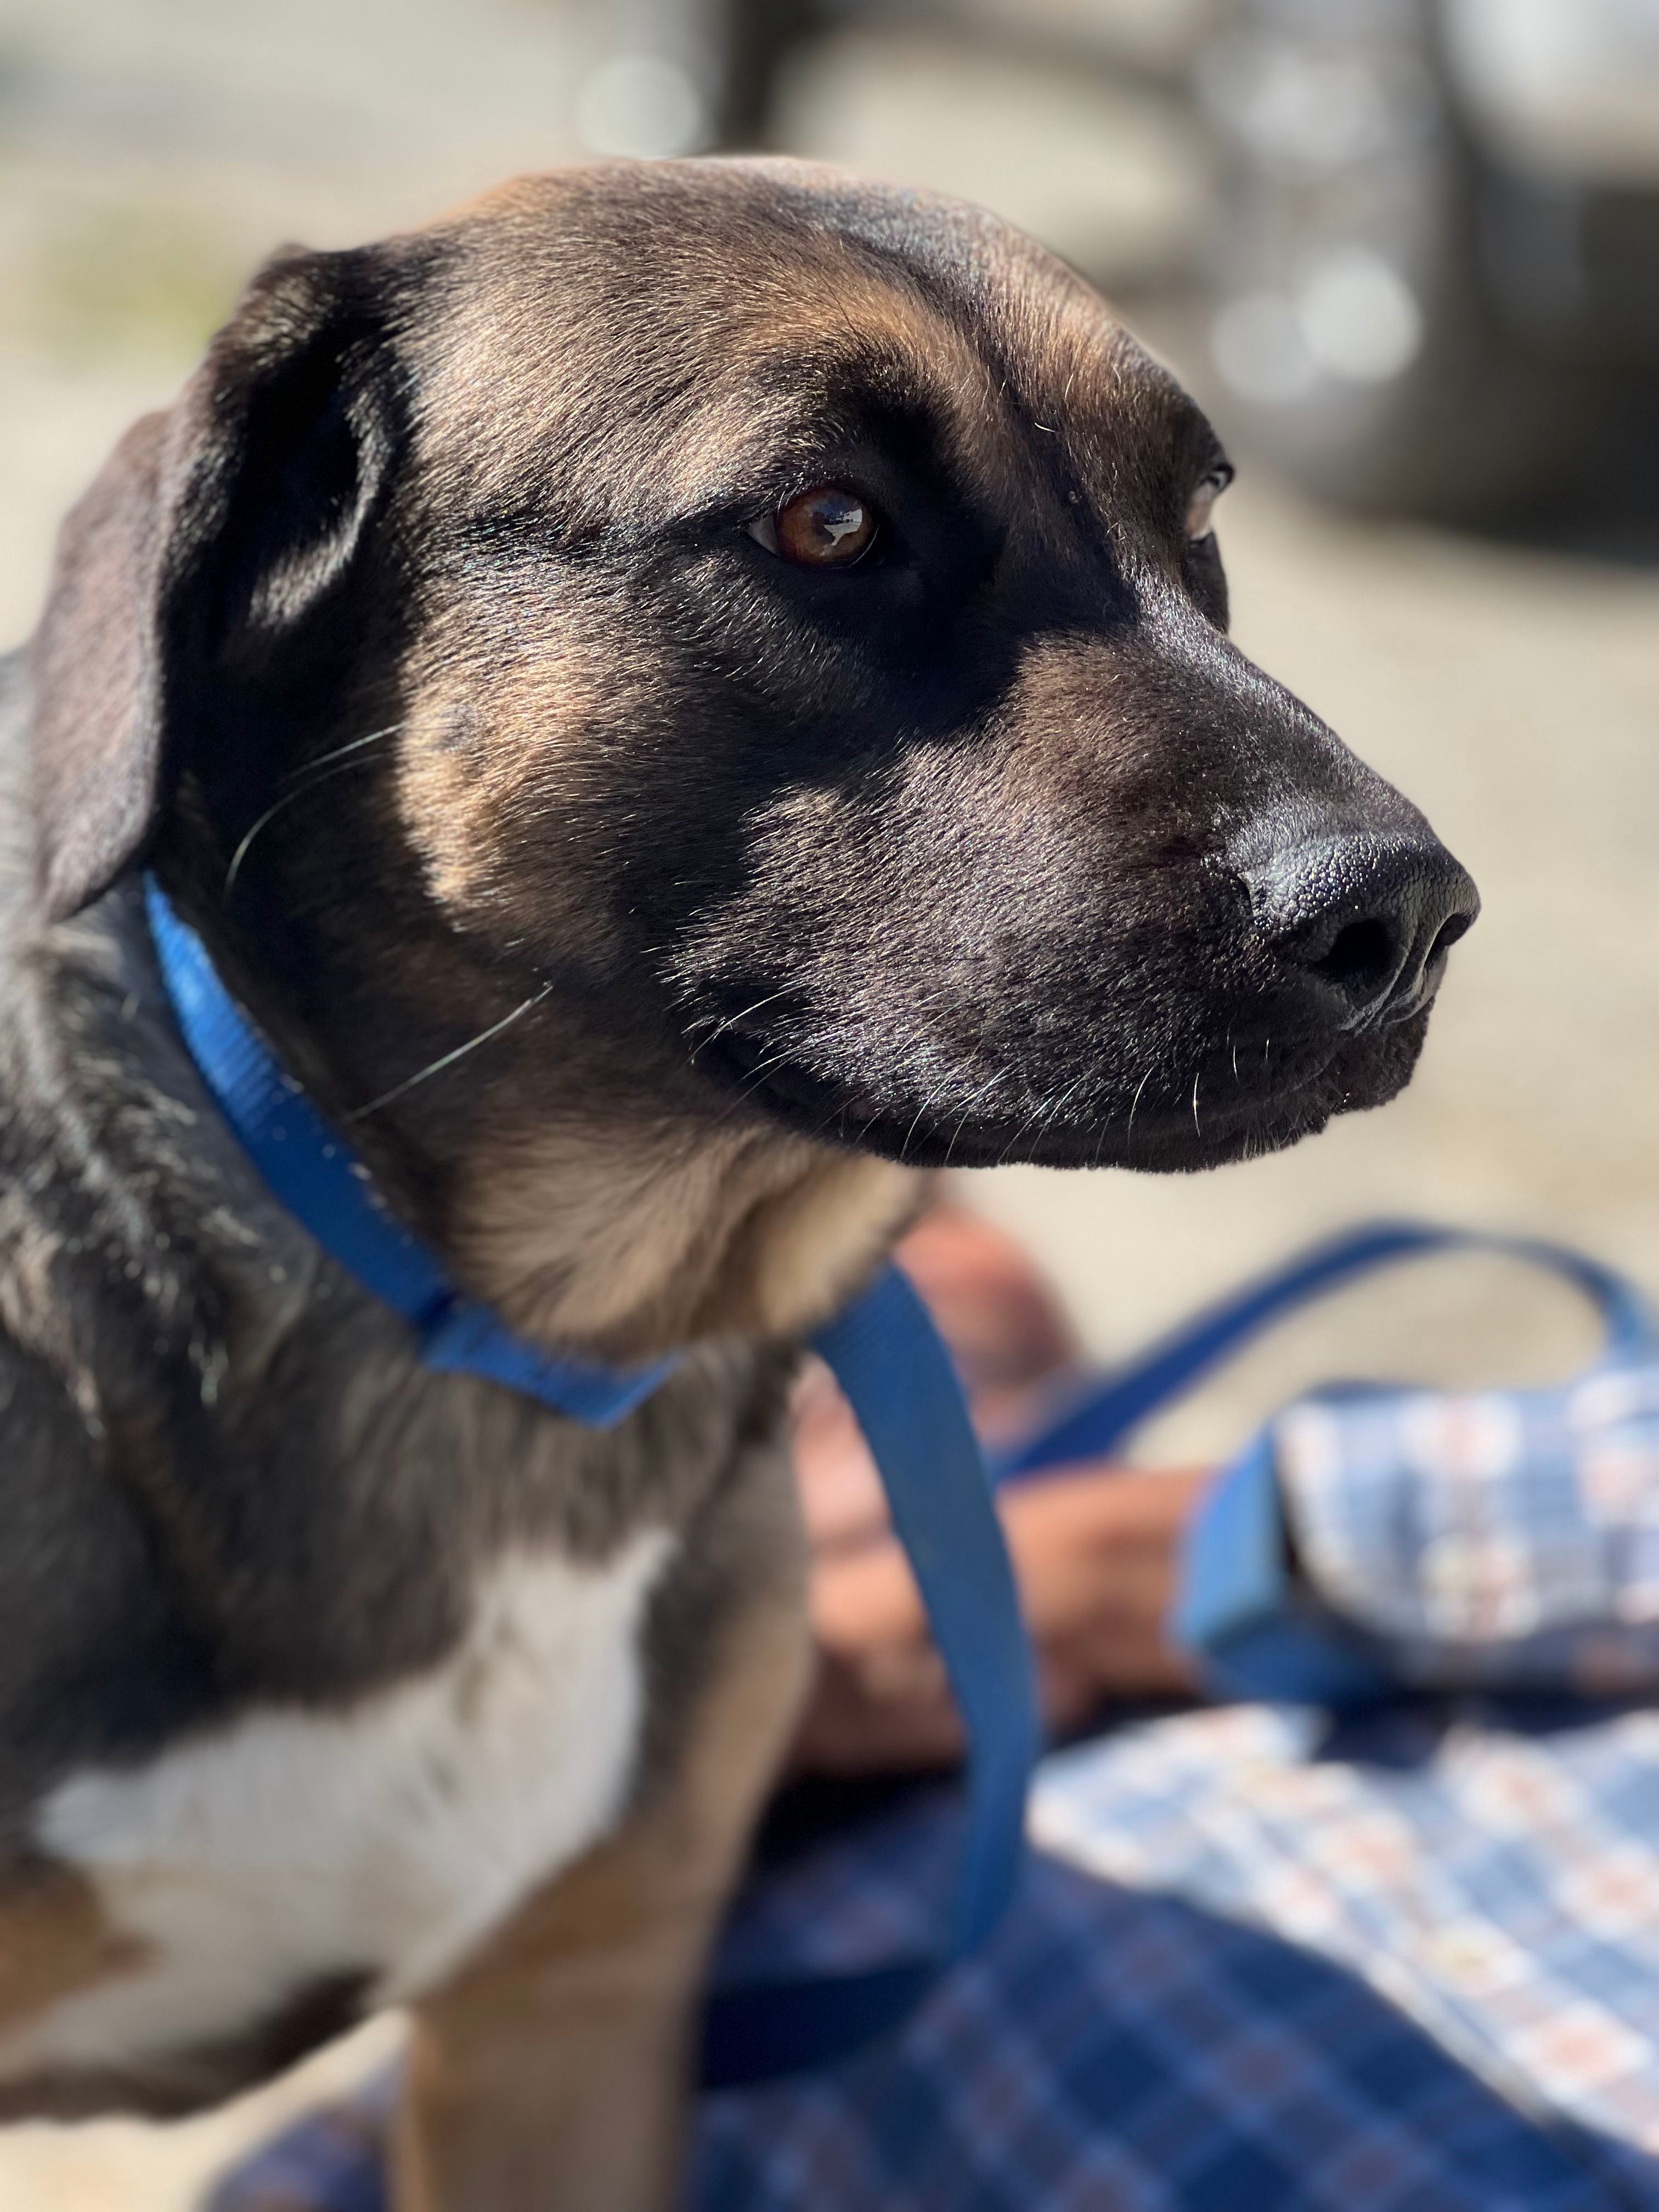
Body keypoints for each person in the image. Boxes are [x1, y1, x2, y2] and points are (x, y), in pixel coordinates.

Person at [217, 1206, 1659, 2212]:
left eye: (862, 1224)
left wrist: (1150, 1563)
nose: (783, 1310)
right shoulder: (423, 2103)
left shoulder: (1503, 1513)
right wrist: (538, 1910)